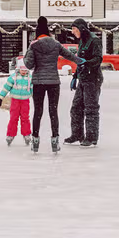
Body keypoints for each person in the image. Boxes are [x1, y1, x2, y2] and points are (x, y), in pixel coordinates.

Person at [23, 16, 82, 154]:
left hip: (38, 82)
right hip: (53, 82)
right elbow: (69, 55)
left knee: (38, 111)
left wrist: (28, 54)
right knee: (53, 111)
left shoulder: (34, 45)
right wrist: (81, 61)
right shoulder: (55, 44)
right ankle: (55, 141)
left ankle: (35, 142)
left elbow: (29, 64)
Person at [65, 17, 104, 148]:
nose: (72, 32)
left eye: (74, 29)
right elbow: (80, 60)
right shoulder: (82, 41)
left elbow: (98, 59)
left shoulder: (95, 40)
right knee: (76, 108)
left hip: (93, 78)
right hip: (83, 78)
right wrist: (75, 76)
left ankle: (91, 138)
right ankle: (77, 134)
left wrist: (86, 63)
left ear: (81, 29)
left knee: (91, 108)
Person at [0, 57, 33, 146]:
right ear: (18, 68)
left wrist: (37, 99)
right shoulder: (13, 77)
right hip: (15, 101)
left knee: (25, 118)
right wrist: (0, 98)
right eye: (22, 70)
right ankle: (10, 135)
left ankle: (26, 134)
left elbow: (33, 90)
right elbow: (6, 87)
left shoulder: (30, 78)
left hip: (25, 101)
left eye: (25, 70)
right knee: (13, 118)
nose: (24, 72)